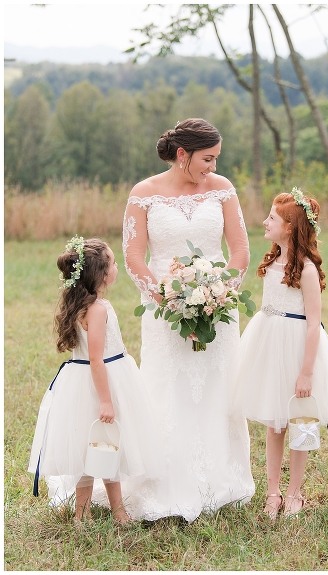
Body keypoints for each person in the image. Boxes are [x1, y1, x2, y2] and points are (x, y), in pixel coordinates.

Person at [120, 118, 255, 521]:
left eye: (216, 159)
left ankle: (220, 480)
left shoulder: (223, 189)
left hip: (218, 307)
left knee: (219, 385)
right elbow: (133, 257)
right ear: (183, 155)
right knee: (169, 387)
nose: (212, 166)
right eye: (207, 159)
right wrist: (167, 298)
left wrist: (222, 292)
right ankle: (165, 481)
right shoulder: (144, 194)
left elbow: (240, 249)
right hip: (166, 312)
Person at [234, 189, 328, 519]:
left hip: (298, 347)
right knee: (275, 424)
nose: (264, 221)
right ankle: (272, 491)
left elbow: (314, 324)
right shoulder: (272, 262)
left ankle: (294, 492)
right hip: (269, 343)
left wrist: (306, 372)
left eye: (271, 218)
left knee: (301, 420)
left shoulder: (307, 270)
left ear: (289, 226)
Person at [28, 237, 162, 524]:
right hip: (103, 381)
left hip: (83, 380)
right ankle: (100, 511)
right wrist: (105, 399)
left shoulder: (86, 304)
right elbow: (96, 358)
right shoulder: (98, 309)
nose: (116, 267)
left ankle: (96, 511)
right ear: (101, 274)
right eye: (113, 263)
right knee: (106, 444)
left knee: (92, 446)